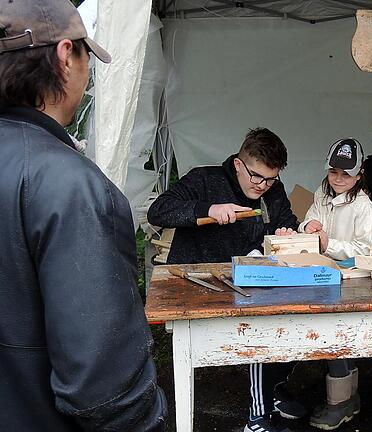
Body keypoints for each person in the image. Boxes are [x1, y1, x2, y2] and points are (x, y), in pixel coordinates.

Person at [0, 1, 167, 429]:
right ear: (64, 55)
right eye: (86, 56)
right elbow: (104, 387)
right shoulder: (70, 184)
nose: (87, 69)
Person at [147, 128, 301, 432]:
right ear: (239, 164)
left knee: (293, 315)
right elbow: (158, 211)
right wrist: (208, 209)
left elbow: (287, 222)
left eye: (271, 179)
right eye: (257, 177)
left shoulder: (273, 189)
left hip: (252, 278)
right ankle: (258, 419)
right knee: (263, 324)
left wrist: (289, 232)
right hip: (200, 282)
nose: (263, 186)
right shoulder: (204, 179)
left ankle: (273, 389)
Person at [298, 138, 372, 430]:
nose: (339, 179)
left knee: (337, 336)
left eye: (347, 174)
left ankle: (339, 402)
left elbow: (365, 250)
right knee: (330, 335)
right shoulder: (322, 192)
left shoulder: (363, 207)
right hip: (323, 274)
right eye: (334, 172)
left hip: (352, 279)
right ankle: (348, 398)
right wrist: (306, 227)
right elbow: (309, 219)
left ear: (358, 175)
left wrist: (328, 243)